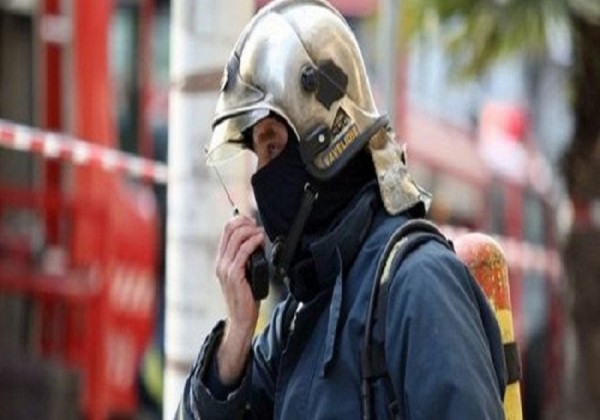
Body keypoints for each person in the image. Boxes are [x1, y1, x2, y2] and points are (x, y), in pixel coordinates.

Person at [175, 0, 506, 418]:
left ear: (325, 140)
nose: (261, 179)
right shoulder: (299, 314)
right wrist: (236, 339)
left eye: (273, 146)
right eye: (258, 154)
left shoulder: (420, 285)